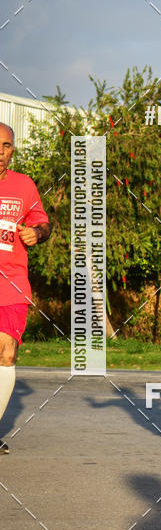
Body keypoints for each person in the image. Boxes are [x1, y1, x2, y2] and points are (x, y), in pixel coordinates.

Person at [0, 123, 50, 454]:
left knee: (6, 353)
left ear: (12, 150)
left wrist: (37, 233)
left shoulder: (24, 185)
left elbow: (43, 223)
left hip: (12, 283)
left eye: (5, 145)